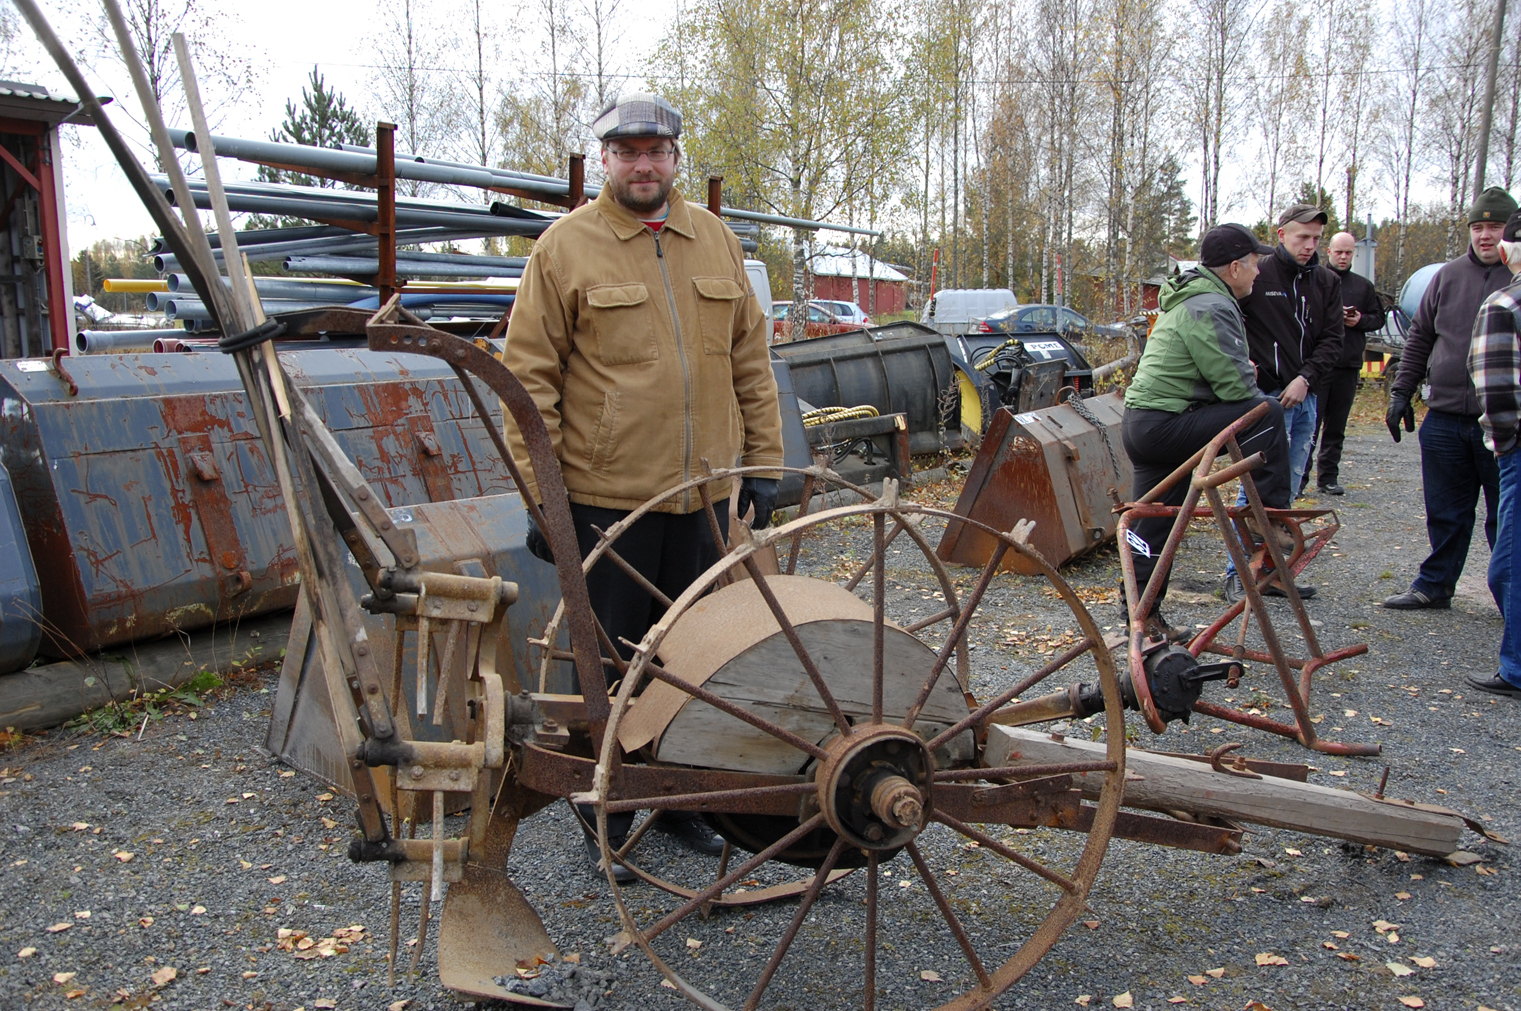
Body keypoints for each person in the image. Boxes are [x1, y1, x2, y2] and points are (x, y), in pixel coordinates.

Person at [502, 92, 786, 875]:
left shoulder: (715, 242)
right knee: (612, 663)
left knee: (696, 659)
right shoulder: (565, 249)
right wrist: (544, 498)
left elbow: (750, 366)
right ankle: (607, 809)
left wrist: (762, 465)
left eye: (655, 151)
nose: (642, 165)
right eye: (626, 152)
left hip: (702, 495)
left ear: (675, 158)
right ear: (604, 159)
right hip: (609, 500)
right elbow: (527, 382)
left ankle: (675, 803)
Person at [1123, 224, 1292, 636]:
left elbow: (1204, 370)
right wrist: (1245, 379)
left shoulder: (1189, 299)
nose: (1258, 273)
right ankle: (1266, 520)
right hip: (1165, 425)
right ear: (1234, 267)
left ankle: (1141, 620)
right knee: (1266, 411)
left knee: (1151, 524)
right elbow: (1237, 389)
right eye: (1254, 265)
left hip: (1143, 423)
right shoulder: (1211, 305)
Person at [1382, 186, 1517, 610]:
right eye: (1477, 227)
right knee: (1445, 511)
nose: (1484, 235)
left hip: (1500, 422)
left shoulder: (1518, 281)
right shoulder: (1447, 275)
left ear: (1510, 233)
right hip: (1443, 417)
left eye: (1494, 227)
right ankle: (1435, 584)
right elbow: (1421, 336)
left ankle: (1510, 599)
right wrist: (1401, 392)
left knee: (1507, 518)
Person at [1222, 204, 1343, 603]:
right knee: (1254, 487)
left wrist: (1306, 378)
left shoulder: (1325, 281)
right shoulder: (1258, 274)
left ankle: (1271, 571)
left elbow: (1332, 340)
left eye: (1315, 239)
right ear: (1281, 235)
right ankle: (1237, 574)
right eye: (1301, 237)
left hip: (1305, 397)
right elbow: (1227, 321)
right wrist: (1245, 364)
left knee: (1287, 486)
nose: (1309, 246)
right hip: (1264, 400)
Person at [1465, 208, 1521, 698]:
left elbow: (1498, 390)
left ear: (1507, 251)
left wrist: (1504, 447)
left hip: (1517, 449)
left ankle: (1518, 666)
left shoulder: (1505, 304)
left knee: (1509, 564)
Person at [1312, 231, 1387, 496]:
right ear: (1329, 252)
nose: (1343, 257)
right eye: (1339, 252)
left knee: (1336, 427)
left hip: (1349, 363)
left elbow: (1379, 317)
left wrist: (1360, 321)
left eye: (1348, 252)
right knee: (1310, 425)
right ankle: (1298, 479)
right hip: (1319, 365)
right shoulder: (1316, 279)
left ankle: (1327, 478)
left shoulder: (1363, 286)